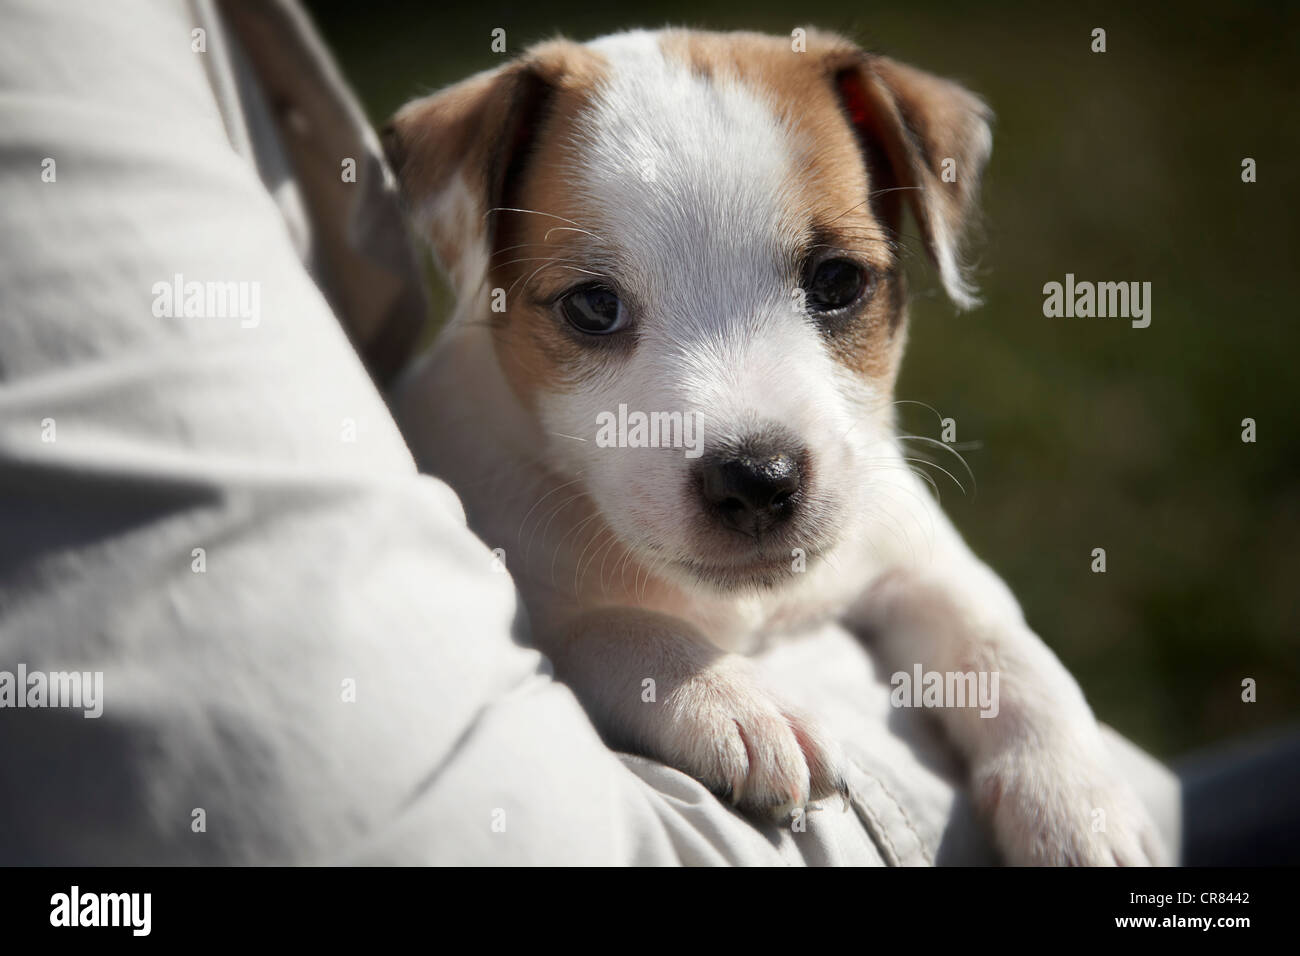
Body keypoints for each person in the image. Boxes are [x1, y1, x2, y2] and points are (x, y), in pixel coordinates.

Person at [0, 0, 1190, 865]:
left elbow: (943, 597)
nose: (753, 450)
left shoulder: (848, 466)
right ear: (468, 241)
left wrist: (1039, 739)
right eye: (595, 310)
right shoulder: (440, 470)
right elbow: (490, 663)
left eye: (833, 286)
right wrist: (629, 646)